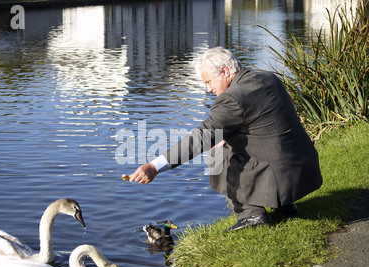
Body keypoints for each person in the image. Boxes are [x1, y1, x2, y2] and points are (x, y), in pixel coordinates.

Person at [129, 47, 322, 231]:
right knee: (225, 141)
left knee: (217, 153)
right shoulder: (267, 77)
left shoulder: (232, 98)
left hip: (281, 175)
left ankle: (251, 214)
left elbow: (200, 138)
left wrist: (155, 166)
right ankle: (285, 205)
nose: (208, 89)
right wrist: (227, 137)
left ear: (224, 71)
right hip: (303, 170)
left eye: (208, 81)